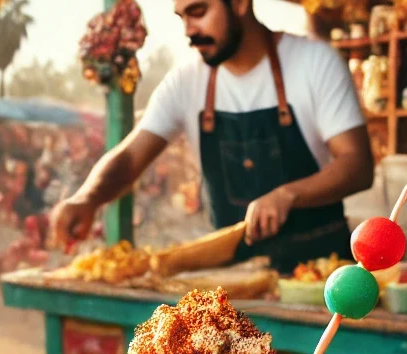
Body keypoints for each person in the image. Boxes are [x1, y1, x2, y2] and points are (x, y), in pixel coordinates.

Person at [50, 0, 373, 273]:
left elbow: (357, 164)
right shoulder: (186, 81)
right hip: (233, 277)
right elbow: (131, 155)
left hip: (318, 274)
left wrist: (288, 194)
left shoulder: (314, 62)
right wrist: (87, 197)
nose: (189, 30)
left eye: (199, 11)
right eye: (182, 18)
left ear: (240, 4)